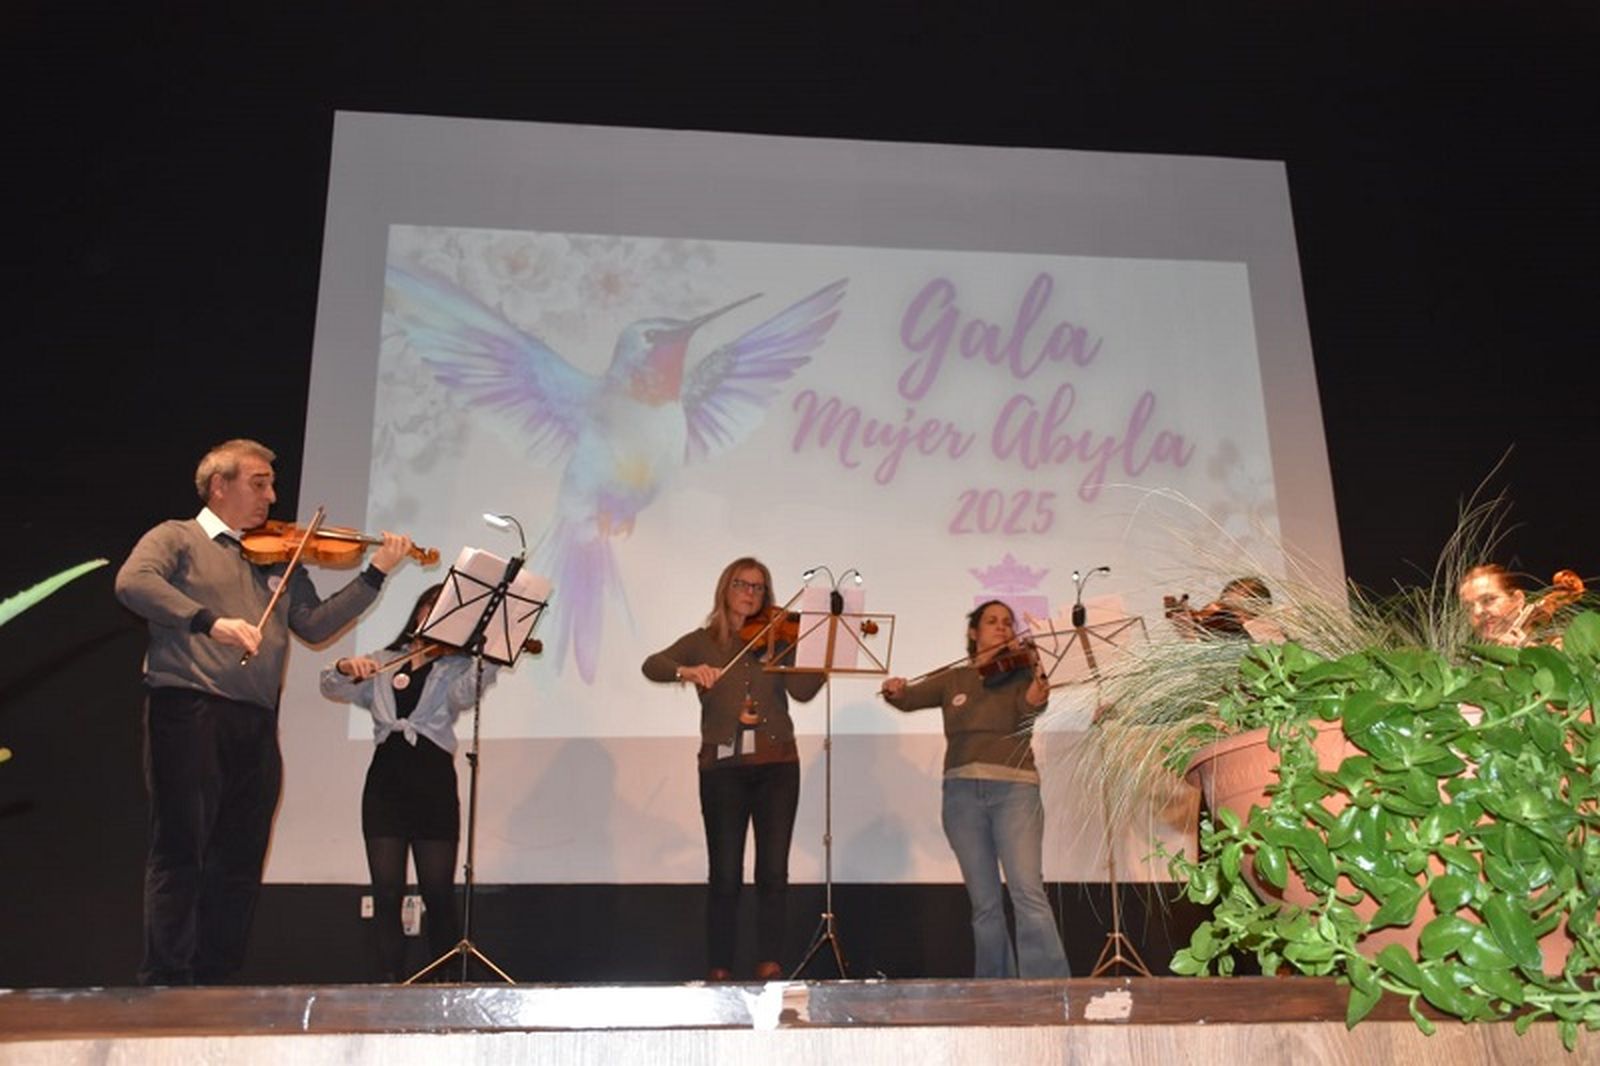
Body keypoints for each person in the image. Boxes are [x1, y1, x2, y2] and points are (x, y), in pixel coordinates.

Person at [115, 439, 415, 985]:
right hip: (188, 708)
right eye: (259, 483)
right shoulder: (177, 537)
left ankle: (216, 982)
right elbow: (132, 583)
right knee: (182, 847)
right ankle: (166, 981)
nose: (271, 496)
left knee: (240, 858)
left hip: (254, 720)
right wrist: (210, 621)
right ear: (219, 485)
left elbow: (317, 626)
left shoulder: (278, 556)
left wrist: (375, 574)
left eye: (272, 485)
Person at [641, 557, 823, 981]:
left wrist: (820, 653)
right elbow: (653, 664)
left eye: (759, 588)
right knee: (724, 873)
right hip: (722, 769)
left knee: (773, 871)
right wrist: (686, 671)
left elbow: (804, 689)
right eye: (742, 584)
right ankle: (720, 966)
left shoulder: (778, 638)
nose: (750, 593)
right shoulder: (703, 640)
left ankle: (769, 962)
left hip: (778, 766)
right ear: (726, 589)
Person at [880, 600, 1070, 979]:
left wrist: (1039, 683)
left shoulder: (1020, 674)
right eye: (992, 621)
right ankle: (994, 989)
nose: (1001, 628)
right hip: (962, 794)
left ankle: (1049, 988)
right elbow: (910, 698)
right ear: (973, 632)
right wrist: (896, 690)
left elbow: (1031, 705)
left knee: (1027, 893)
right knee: (984, 905)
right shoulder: (954, 679)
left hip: (1015, 790)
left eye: (1007, 622)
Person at [320, 583, 497, 982]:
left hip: (432, 780)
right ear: (418, 612)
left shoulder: (455, 667)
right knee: (386, 892)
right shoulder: (384, 661)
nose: (435, 617)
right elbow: (330, 685)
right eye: (430, 607)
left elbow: (467, 694)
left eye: (447, 612)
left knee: (437, 893)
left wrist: (493, 658)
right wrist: (346, 667)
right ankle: (389, 984)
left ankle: (445, 984)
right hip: (386, 782)